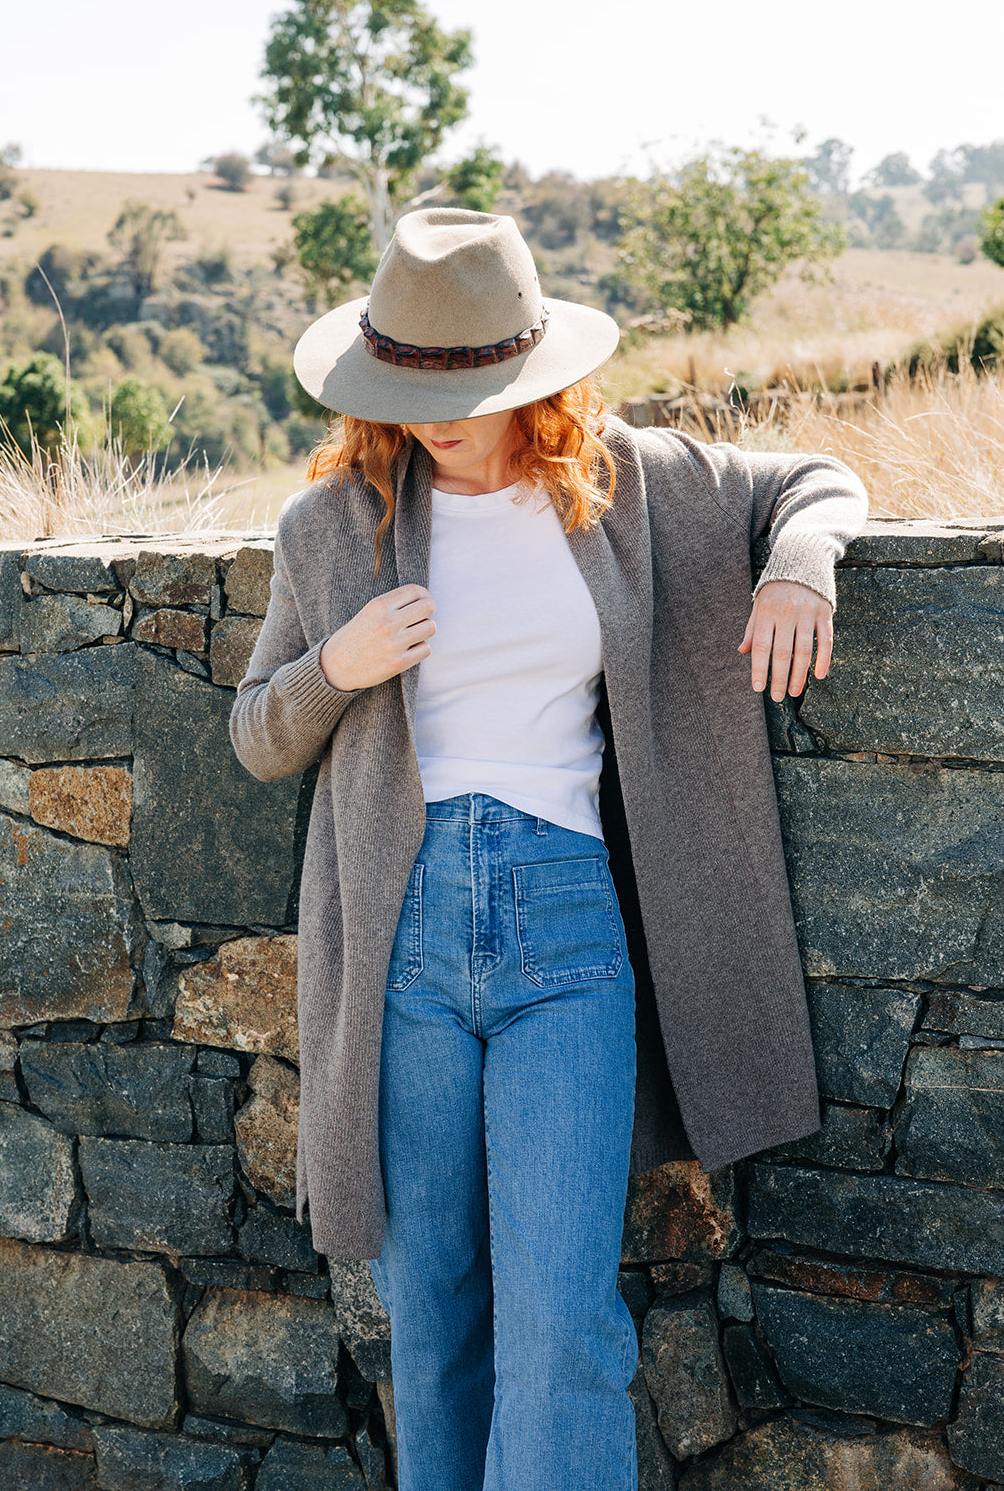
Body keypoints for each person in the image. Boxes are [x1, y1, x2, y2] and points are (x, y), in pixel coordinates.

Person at [229, 208, 869, 1491]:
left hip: (567, 936)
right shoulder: (329, 525)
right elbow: (255, 734)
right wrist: (332, 669)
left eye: (464, 385)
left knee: (562, 1324)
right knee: (437, 1317)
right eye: (408, 386)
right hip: (400, 945)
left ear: (531, 377)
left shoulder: (629, 489)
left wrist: (799, 569)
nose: (435, 416)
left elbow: (814, 480)